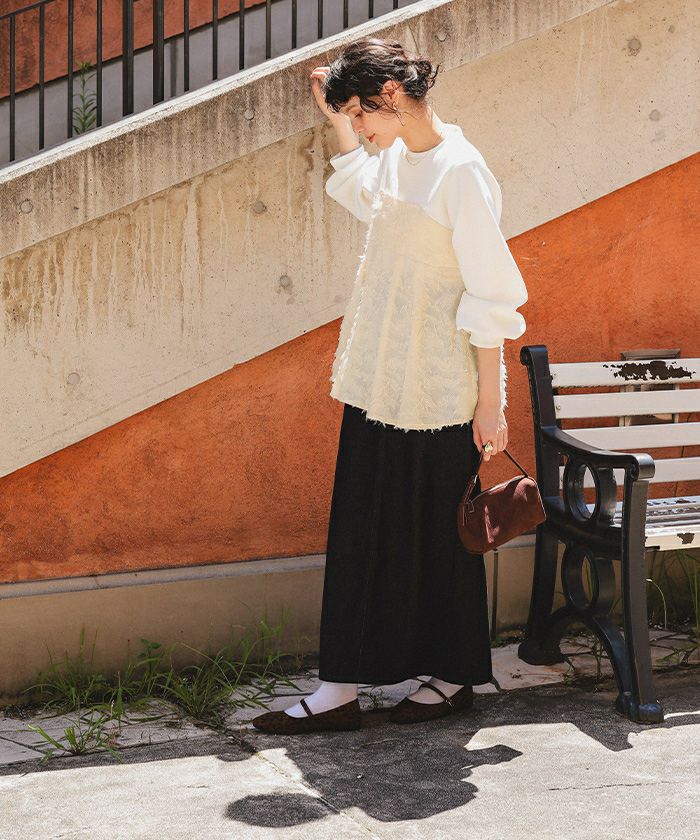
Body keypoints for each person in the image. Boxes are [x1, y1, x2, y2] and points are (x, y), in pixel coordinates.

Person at [253, 37, 528, 735]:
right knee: (360, 531)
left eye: (360, 113)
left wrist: (491, 404)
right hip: (380, 379)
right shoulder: (402, 158)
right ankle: (339, 688)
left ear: (393, 97)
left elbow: (491, 295)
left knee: (442, 536)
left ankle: (452, 676)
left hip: (438, 387)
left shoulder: (461, 171)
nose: (359, 127)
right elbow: (367, 196)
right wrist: (338, 123)